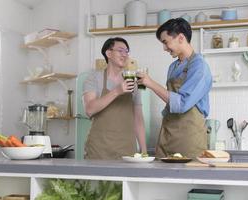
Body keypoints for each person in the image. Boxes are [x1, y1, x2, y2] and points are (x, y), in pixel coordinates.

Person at [137, 18, 212, 159]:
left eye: (165, 42)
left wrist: (151, 83)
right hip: (168, 133)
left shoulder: (199, 66)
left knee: (187, 178)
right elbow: (170, 101)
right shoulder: (173, 67)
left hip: (189, 137)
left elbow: (182, 104)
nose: (164, 48)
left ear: (181, 38)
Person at [82, 37, 147, 160]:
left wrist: (143, 151)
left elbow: (138, 119)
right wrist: (117, 91)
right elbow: (89, 109)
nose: (125, 55)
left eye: (127, 51)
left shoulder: (135, 81)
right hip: (98, 149)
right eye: (120, 50)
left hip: (127, 150)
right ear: (109, 53)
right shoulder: (94, 77)